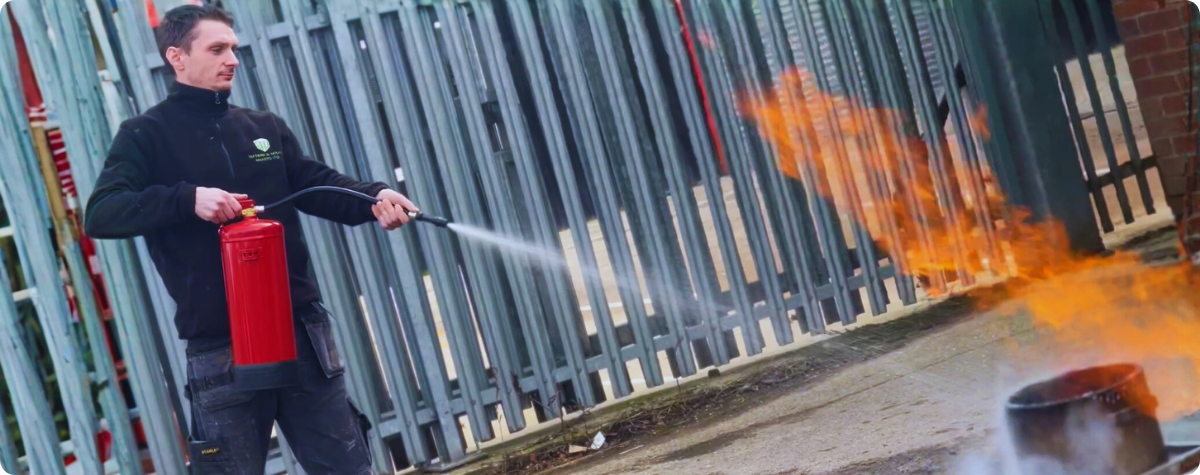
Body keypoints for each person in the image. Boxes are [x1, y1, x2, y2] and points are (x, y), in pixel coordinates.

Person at [83, 5, 414, 474]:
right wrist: (186, 199)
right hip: (221, 349)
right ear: (177, 57)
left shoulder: (261, 126)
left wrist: (373, 196)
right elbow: (101, 213)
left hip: (300, 331)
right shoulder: (145, 135)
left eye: (233, 48)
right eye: (217, 49)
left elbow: (312, 181)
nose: (232, 58)